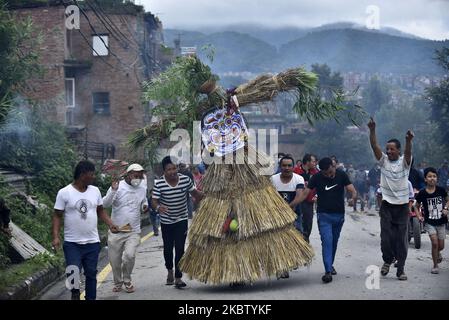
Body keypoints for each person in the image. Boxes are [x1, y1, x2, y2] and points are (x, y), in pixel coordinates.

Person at [52, 160, 118, 300]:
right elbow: (57, 216)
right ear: (82, 175)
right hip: (72, 243)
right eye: (91, 174)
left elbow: (100, 211)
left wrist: (110, 223)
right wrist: (56, 236)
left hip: (92, 242)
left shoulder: (95, 191)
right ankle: (75, 292)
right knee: (73, 270)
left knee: (91, 274)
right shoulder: (64, 193)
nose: (93, 177)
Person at [368, 117, 414, 281]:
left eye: (392, 149)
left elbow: (408, 152)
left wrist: (408, 141)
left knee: (401, 240)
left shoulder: (404, 163)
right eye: (387, 149)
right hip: (387, 206)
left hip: (402, 207)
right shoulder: (383, 162)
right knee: (386, 238)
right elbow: (374, 146)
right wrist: (372, 130)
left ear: (398, 151)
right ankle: (388, 260)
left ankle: (400, 269)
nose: (388, 151)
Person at [298, 157, 356, 283]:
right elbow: (304, 194)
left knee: (334, 242)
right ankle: (328, 271)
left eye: (330, 172)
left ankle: (330, 265)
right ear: (321, 171)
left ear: (333, 166)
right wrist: (292, 205)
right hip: (323, 215)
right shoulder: (316, 177)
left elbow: (352, 190)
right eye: (325, 173)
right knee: (327, 241)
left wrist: (352, 198)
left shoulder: (341, 174)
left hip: (339, 215)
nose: (329, 175)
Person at [151, 156, 203, 288]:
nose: (173, 171)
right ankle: (170, 270)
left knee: (180, 248)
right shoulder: (159, 183)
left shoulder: (185, 180)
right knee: (168, 249)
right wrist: (158, 207)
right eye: (169, 169)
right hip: (167, 221)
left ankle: (178, 277)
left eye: (174, 168)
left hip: (181, 219)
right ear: (164, 171)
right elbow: (154, 201)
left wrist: (209, 196)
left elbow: (195, 193)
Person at [102, 163, 148, 293]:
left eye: (140, 176)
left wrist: (144, 206)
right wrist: (113, 191)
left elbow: (144, 201)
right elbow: (105, 203)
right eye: (135, 175)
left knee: (129, 255)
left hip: (133, 230)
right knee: (114, 262)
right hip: (117, 230)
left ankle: (127, 280)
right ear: (128, 175)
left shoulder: (142, 188)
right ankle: (118, 282)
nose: (137, 178)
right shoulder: (118, 187)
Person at [270, 155, 305, 279]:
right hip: (276, 216)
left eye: (289, 165)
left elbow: (299, 196)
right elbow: (270, 198)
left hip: (294, 215)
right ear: (280, 167)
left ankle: (292, 260)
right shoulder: (273, 180)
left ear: (293, 167)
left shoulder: (298, 179)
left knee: (296, 239)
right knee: (278, 242)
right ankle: (282, 267)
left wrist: (289, 207)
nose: (287, 168)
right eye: (284, 165)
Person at [415, 167, 449, 274]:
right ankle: (435, 265)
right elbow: (416, 206)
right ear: (425, 179)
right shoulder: (422, 193)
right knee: (434, 243)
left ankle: (438, 252)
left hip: (441, 222)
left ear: (437, 178)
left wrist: (446, 209)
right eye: (429, 176)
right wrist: (419, 216)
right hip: (429, 222)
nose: (432, 178)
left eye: (434, 176)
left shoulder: (441, 190)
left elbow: (448, 200)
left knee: (441, 246)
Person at [294, 153, 319, 243]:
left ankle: (306, 239)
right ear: (307, 162)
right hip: (297, 201)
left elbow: (318, 186)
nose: (315, 163)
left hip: (309, 201)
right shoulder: (296, 171)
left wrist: (316, 196)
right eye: (313, 161)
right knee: (297, 221)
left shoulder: (315, 173)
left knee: (308, 221)